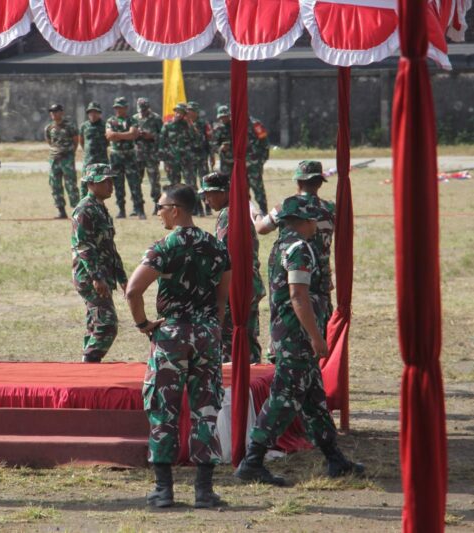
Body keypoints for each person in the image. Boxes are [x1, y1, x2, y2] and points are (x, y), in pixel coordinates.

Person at [233, 195, 363, 486]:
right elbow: (298, 296)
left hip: (291, 334)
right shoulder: (299, 249)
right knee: (285, 398)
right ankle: (252, 461)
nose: (317, 223)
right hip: (297, 337)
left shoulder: (281, 245)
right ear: (303, 221)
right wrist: (317, 338)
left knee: (314, 400)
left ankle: (334, 458)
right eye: (313, 218)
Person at [126, 184, 232, 509]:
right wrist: (212, 327)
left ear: (176, 209)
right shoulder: (216, 246)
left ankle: (164, 490)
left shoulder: (164, 246)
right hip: (206, 335)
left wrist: (143, 324)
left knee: (163, 408)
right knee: (205, 409)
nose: (158, 212)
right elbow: (222, 298)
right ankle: (204, 491)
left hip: (172, 335)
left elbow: (133, 290)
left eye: (160, 206)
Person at [254, 160, 336, 328]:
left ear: (298, 182)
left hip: (291, 275)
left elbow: (261, 228)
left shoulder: (286, 206)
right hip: (321, 276)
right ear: (320, 183)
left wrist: (255, 215)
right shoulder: (331, 208)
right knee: (322, 325)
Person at [199, 172, 264, 363]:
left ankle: (239, 384)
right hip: (247, 283)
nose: (206, 200)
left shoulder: (228, 214)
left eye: (209, 194)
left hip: (235, 286)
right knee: (247, 337)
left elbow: (222, 256)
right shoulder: (238, 210)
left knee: (231, 340)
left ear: (224, 192)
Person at [71, 164, 128, 363]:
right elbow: (83, 246)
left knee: (95, 324)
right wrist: (97, 277)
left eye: (111, 180)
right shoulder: (85, 209)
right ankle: (89, 363)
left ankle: (88, 369)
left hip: (103, 276)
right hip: (91, 278)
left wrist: (122, 278)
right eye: (106, 181)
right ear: (91, 183)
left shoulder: (99, 208)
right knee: (107, 325)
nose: (111, 185)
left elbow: (109, 247)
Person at [105, 97, 143, 219]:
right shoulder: (111, 120)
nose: (118, 110)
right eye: (116, 107)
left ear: (126, 108)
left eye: (120, 107)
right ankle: (121, 210)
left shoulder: (132, 120)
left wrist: (117, 135)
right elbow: (109, 136)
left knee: (135, 183)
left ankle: (139, 210)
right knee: (118, 184)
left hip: (130, 155)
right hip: (116, 156)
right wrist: (124, 135)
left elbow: (132, 135)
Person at [44, 103, 80, 219]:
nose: (53, 114)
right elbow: (50, 142)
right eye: (52, 112)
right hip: (54, 159)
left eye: (56, 111)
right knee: (55, 185)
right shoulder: (49, 128)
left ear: (61, 112)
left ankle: (77, 211)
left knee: (71, 185)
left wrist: (70, 153)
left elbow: (76, 141)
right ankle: (61, 211)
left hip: (67, 159)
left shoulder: (70, 126)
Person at [133, 97, 163, 215]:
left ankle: (157, 205)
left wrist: (152, 136)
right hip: (137, 155)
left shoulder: (156, 118)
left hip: (152, 155)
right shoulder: (134, 118)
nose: (143, 112)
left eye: (144, 110)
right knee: (135, 181)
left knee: (154, 181)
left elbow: (163, 135)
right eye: (141, 110)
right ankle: (137, 206)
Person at [158, 103, 195, 189]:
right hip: (172, 160)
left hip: (186, 159)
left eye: (182, 112)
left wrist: (190, 122)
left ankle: (192, 202)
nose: (179, 114)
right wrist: (164, 161)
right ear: (175, 112)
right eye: (178, 112)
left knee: (191, 184)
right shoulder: (167, 125)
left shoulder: (187, 125)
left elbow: (195, 137)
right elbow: (162, 144)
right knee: (174, 185)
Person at [186, 102, 212, 216]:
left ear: (196, 111)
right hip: (189, 158)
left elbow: (209, 140)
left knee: (204, 182)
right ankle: (197, 207)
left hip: (201, 157)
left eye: (191, 110)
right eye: (188, 110)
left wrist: (211, 155)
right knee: (191, 184)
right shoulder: (184, 124)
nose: (189, 112)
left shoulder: (203, 123)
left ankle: (208, 206)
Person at [78, 102, 109, 198]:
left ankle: (100, 208)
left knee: (102, 186)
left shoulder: (105, 125)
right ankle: (83, 207)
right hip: (88, 161)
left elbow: (108, 141)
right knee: (85, 184)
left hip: (102, 161)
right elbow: (82, 141)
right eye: (91, 112)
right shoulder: (84, 126)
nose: (93, 114)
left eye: (95, 112)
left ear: (99, 113)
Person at [247, 115, 270, 214]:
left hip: (254, 161)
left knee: (257, 186)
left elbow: (265, 142)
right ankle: (246, 211)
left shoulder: (255, 124)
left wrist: (262, 159)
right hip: (239, 163)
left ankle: (263, 209)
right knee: (241, 188)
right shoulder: (234, 124)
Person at [211, 105, 233, 178]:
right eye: (222, 117)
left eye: (225, 116)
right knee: (226, 182)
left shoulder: (235, 126)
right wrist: (221, 148)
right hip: (225, 161)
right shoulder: (217, 129)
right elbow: (213, 145)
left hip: (238, 159)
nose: (224, 118)